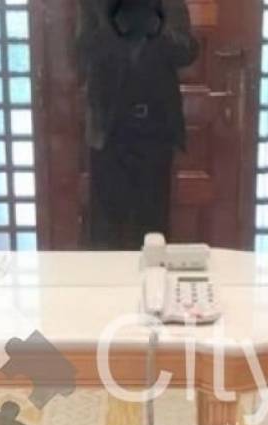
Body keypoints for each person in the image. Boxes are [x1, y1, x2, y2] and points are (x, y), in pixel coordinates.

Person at [76, 0, 200, 250]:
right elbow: (80, 52)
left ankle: (151, 275)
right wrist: (116, 24)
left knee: (153, 228)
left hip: (156, 130)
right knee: (105, 233)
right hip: (109, 131)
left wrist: (156, 28)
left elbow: (187, 51)